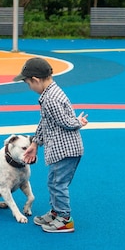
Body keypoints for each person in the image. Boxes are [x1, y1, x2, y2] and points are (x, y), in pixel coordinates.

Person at [13, 57, 88, 233]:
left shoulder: (50, 99)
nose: (29, 87)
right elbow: (45, 122)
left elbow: (64, 122)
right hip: (63, 150)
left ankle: (64, 219)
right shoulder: (50, 94)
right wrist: (35, 143)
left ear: (36, 80)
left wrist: (77, 122)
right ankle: (56, 212)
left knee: (58, 183)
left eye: (28, 83)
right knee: (53, 182)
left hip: (65, 151)